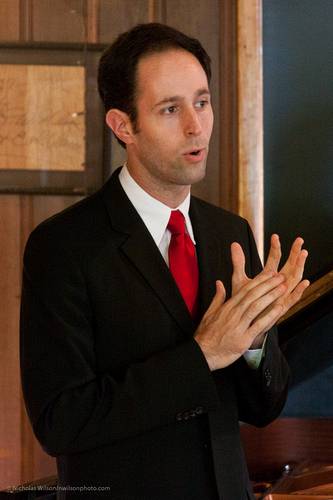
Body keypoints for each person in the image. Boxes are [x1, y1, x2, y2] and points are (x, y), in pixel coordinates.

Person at [20, 23, 309, 500]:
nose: (196, 126)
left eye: (201, 101)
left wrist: (255, 342)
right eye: (171, 109)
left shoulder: (229, 233)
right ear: (123, 126)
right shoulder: (62, 246)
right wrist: (203, 356)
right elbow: (60, 422)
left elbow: (264, 407)